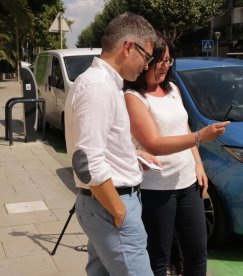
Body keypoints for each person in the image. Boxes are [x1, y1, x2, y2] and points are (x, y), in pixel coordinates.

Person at [123, 34, 230, 276]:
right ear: (145, 62)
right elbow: (154, 143)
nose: (163, 66)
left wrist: (198, 163)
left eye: (168, 60)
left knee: (197, 253)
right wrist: (201, 136)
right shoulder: (134, 97)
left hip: (188, 184)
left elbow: (184, 129)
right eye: (158, 60)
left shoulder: (171, 88)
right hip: (156, 189)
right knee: (158, 258)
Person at [64, 12, 157, 276]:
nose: (147, 65)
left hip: (103, 203)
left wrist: (132, 155)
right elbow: (87, 162)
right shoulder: (98, 87)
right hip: (111, 205)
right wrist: (118, 210)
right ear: (129, 47)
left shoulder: (102, 84)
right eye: (147, 57)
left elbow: (97, 148)